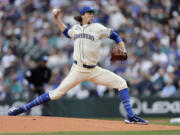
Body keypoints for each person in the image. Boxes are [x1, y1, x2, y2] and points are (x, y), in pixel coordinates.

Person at [8, 6, 148, 124]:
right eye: (89, 14)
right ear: (82, 16)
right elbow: (65, 31)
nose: (92, 16)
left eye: (93, 14)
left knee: (122, 83)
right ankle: (21, 109)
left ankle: (130, 116)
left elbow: (115, 36)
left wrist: (122, 48)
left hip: (94, 70)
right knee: (56, 94)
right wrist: (57, 19)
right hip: (78, 69)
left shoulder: (97, 27)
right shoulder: (75, 29)